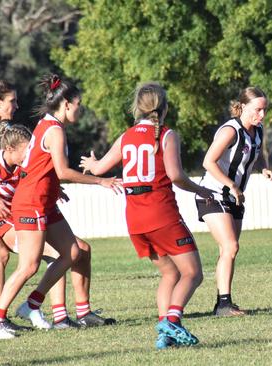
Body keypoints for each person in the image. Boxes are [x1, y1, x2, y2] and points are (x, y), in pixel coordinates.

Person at [80, 82, 213, 349]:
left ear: (137, 107)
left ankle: (165, 337)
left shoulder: (127, 135)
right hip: (161, 214)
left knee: (169, 275)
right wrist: (201, 189)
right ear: (164, 108)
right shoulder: (166, 135)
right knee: (193, 273)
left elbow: (100, 168)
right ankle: (172, 321)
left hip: (135, 219)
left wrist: (92, 164)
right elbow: (175, 176)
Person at [0, 75, 120, 340]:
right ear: (66, 104)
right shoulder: (54, 130)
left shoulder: (47, 124)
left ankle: (31, 305)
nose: (80, 108)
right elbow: (63, 171)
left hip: (43, 201)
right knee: (28, 265)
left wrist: (53, 187)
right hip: (30, 203)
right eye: (79, 103)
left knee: (72, 252)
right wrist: (101, 180)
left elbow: (41, 168)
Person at [196, 87, 272, 317]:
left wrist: (264, 168)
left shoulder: (258, 130)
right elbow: (208, 162)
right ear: (242, 106)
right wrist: (231, 185)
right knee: (231, 246)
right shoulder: (231, 131)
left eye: (264, 110)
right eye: (257, 110)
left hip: (235, 197)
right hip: (212, 193)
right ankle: (223, 304)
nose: (262, 115)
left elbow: (256, 152)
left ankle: (223, 303)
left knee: (228, 250)